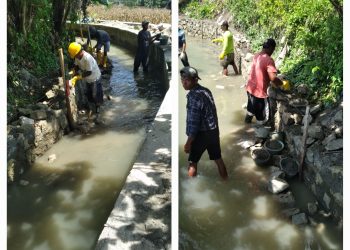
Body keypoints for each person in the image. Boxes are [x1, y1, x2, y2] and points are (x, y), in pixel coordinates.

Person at [180, 66, 228, 180]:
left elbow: (194, 123)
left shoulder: (193, 97)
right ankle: (226, 181)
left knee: (193, 162)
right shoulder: (206, 91)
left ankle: (192, 185)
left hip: (201, 134)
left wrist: (188, 143)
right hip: (213, 131)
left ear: (195, 80)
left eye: (187, 79)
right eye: (182, 79)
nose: (184, 82)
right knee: (218, 159)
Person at [245, 38, 284, 125]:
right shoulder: (269, 60)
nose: (272, 52)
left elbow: (261, 71)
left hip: (250, 89)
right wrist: (282, 83)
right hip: (259, 95)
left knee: (250, 110)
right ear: (270, 48)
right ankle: (261, 137)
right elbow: (273, 78)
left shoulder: (257, 55)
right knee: (262, 119)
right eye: (273, 50)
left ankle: (246, 124)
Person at [68, 42, 103, 121]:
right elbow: (76, 65)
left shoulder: (87, 58)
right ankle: (91, 106)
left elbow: (89, 72)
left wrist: (78, 77)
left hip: (95, 78)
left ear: (78, 52)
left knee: (95, 94)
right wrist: (74, 71)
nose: (75, 57)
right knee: (89, 93)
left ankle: (98, 107)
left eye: (75, 55)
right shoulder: (78, 57)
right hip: (88, 79)